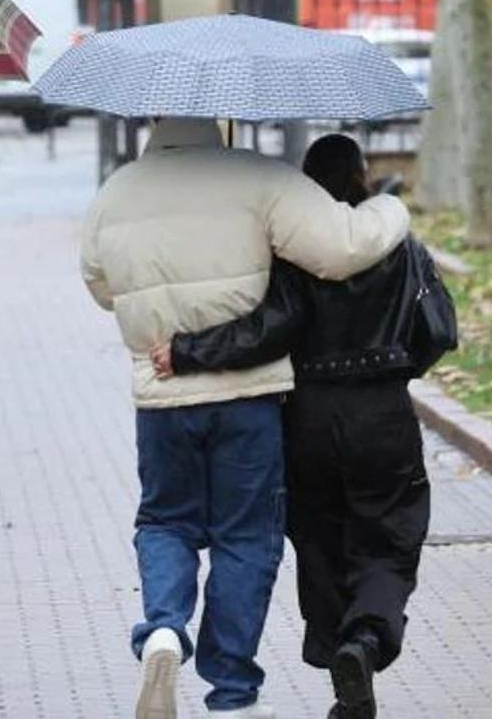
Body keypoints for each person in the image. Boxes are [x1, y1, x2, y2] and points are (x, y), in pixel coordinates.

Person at [80, 118, 410, 719]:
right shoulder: (260, 178)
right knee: (246, 538)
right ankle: (231, 691)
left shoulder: (116, 190)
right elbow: (342, 249)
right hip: (248, 398)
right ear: (218, 120)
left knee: (165, 521)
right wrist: (391, 209)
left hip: (161, 398)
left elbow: (101, 285)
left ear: (156, 121)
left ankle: (163, 628)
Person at [151, 134, 444, 719]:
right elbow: (437, 330)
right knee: (388, 540)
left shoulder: (294, 252)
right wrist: (392, 367)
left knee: (319, 541)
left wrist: (189, 350)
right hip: (382, 413)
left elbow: (270, 327)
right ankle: (366, 642)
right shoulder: (402, 248)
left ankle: (346, 666)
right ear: (362, 176)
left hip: (307, 417)